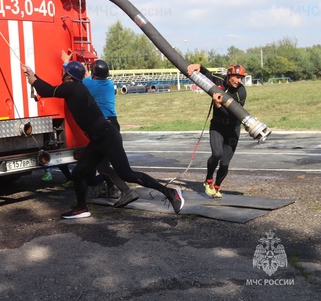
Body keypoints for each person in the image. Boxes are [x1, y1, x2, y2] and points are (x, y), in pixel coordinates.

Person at [22, 60, 184, 219]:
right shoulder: (76, 86)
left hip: (107, 136)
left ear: (69, 76)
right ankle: (81, 208)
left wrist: (33, 78)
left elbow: (47, 91)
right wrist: (34, 76)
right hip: (99, 138)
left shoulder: (72, 87)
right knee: (78, 173)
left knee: (126, 173)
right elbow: (49, 89)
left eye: (64, 72)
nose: (62, 75)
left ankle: (171, 193)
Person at [82, 59, 139, 207]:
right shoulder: (108, 84)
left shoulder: (89, 83)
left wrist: (67, 64)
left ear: (93, 74)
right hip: (113, 124)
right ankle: (113, 189)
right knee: (104, 163)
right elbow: (90, 79)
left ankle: (125, 190)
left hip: (102, 126)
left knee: (102, 165)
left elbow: (78, 82)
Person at [186, 63, 248, 198]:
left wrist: (218, 105)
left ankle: (217, 186)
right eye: (237, 77)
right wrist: (199, 66)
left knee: (225, 162)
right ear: (229, 75)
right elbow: (207, 74)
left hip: (232, 129)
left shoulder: (241, 92)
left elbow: (233, 114)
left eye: (241, 78)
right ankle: (208, 180)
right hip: (217, 127)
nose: (239, 81)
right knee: (216, 154)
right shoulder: (219, 80)